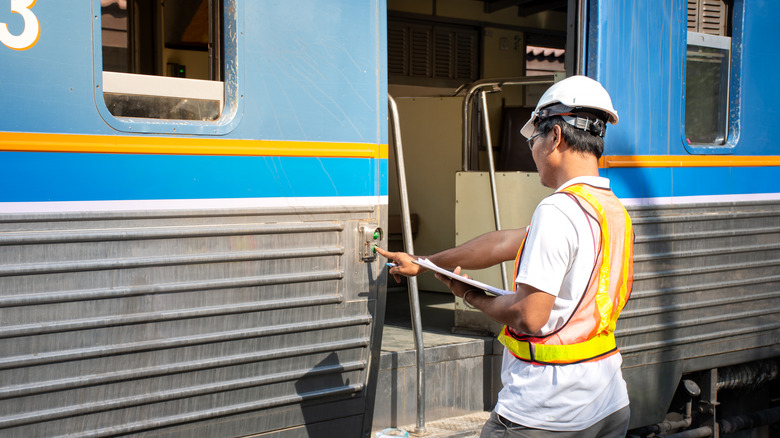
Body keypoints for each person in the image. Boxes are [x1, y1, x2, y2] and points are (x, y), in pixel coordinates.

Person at [376, 75, 634, 438]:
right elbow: (505, 243)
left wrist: (469, 295)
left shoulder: (559, 210)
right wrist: (425, 261)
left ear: (556, 137)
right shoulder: (610, 210)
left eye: (534, 139)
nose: (533, 151)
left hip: (547, 411)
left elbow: (529, 316)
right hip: (607, 401)